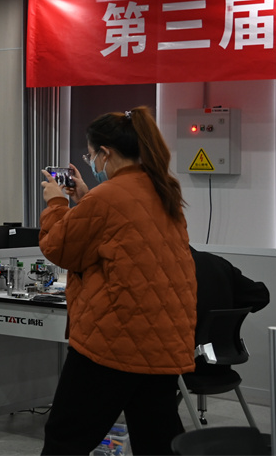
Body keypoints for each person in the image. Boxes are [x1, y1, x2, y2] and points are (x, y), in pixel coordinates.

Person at [38, 107, 197, 455]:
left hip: (113, 341)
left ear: (105, 153)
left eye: (91, 155)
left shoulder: (108, 196)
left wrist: (57, 204)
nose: (92, 162)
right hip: (163, 341)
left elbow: (59, 248)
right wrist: (85, 198)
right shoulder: (162, 190)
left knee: (65, 437)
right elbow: (120, 236)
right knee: (157, 439)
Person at [189, 246, 270, 376]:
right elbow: (261, 296)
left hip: (181, 368)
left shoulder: (167, 271)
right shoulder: (216, 263)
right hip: (222, 364)